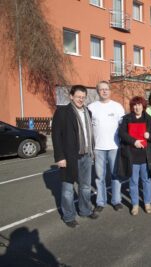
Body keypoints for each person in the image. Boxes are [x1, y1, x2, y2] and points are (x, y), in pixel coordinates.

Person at [52, 85, 98, 228]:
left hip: (86, 155)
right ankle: (69, 216)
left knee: (85, 186)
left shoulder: (87, 112)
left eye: (83, 97)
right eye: (78, 96)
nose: (81, 99)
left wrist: (92, 152)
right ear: (71, 96)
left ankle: (85, 210)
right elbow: (56, 136)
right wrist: (60, 157)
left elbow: (89, 134)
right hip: (69, 156)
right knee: (67, 189)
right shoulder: (62, 112)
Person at [88, 81, 125, 213]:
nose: (104, 91)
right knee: (99, 177)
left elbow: (124, 127)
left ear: (110, 91)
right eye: (101, 89)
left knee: (115, 175)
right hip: (98, 148)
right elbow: (88, 129)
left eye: (106, 89)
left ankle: (116, 200)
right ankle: (100, 201)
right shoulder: (91, 107)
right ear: (97, 91)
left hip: (114, 147)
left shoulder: (117, 107)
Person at [118, 96, 151, 215]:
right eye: (134, 105)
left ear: (143, 106)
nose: (137, 107)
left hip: (145, 156)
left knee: (146, 180)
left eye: (139, 105)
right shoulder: (127, 119)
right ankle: (135, 204)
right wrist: (134, 141)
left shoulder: (149, 119)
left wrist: (148, 136)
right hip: (132, 155)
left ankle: (147, 203)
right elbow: (122, 134)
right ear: (132, 107)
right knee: (133, 181)